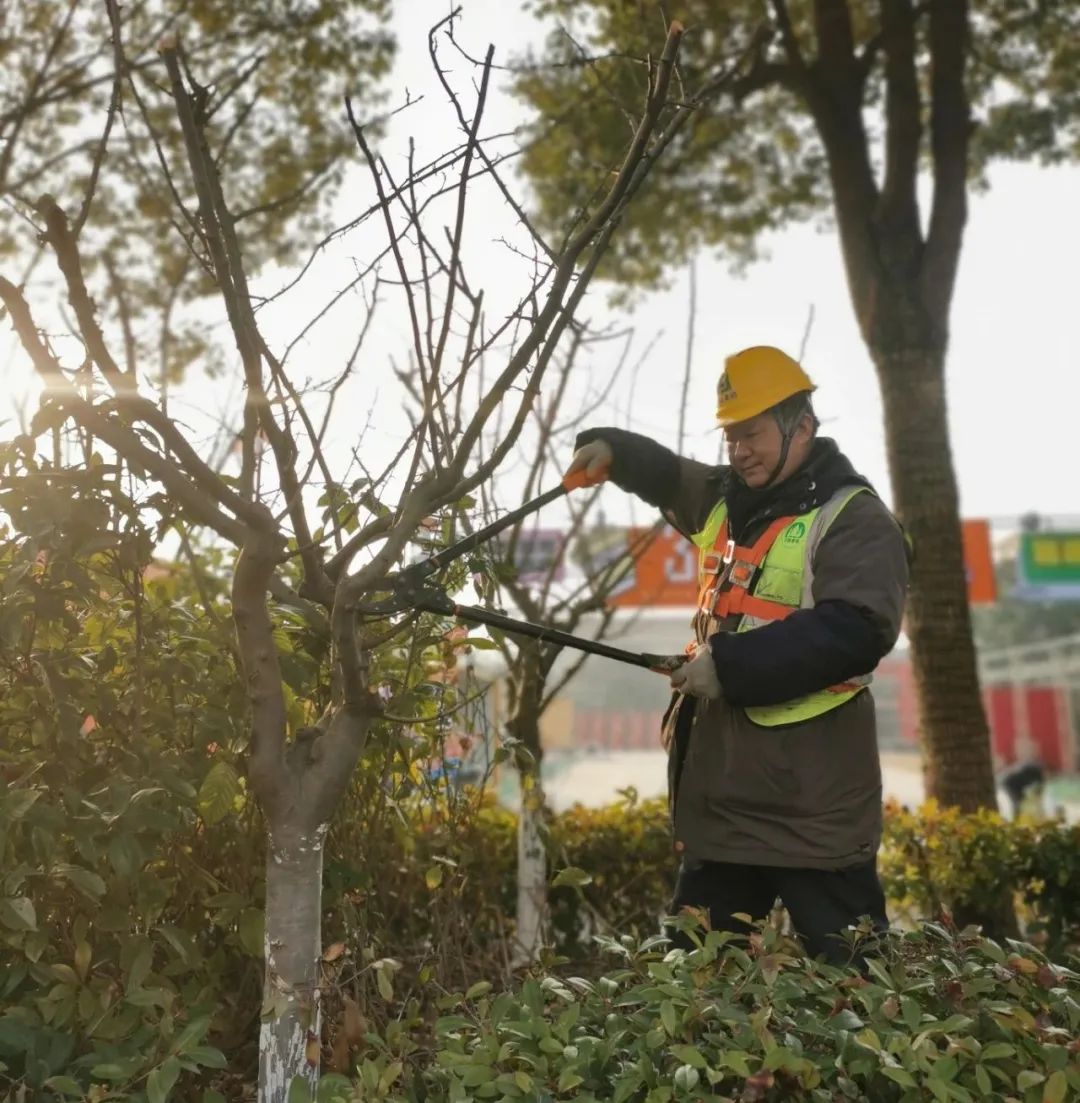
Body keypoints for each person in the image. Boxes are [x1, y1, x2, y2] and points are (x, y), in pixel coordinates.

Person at [564, 346, 910, 965]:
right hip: (723, 805)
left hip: (812, 812)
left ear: (800, 426)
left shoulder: (855, 520)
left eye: (751, 434)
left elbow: (857, 628)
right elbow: (672, 476)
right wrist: (614, 451)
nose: (738, 450)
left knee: (856, 989)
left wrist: (727, 666)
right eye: (730, 437)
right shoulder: (728, 499)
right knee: (694, 985)